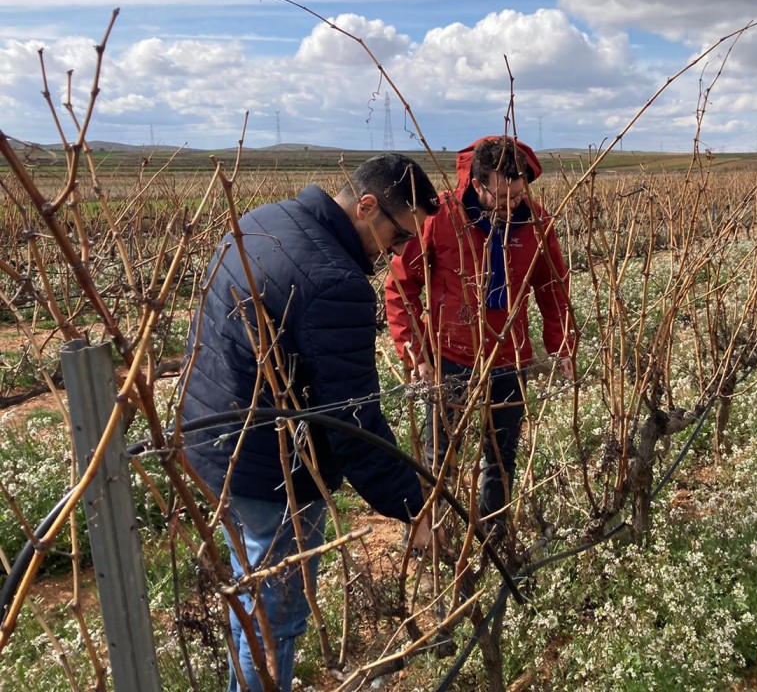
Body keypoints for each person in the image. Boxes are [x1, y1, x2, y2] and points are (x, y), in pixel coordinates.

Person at [180, 154, 439, 692]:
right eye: (397, 237)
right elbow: (352, 421)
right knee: (276, 619)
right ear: (366, 206)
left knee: (252, 592)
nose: (398, 254)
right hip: (268, 470)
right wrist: (413, 505)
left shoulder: (261, 219)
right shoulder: (335, 281)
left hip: (206, 435)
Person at [385, 136, 574, 540]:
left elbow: (553, 288)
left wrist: (562, 345)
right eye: (502, 195)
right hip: (450, 358)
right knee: (439, 458)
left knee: (501, 460)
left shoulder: (537, 223)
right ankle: (424, 538)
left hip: (510, 358)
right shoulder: (440, 217)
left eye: (519, 194)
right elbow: (400, 286)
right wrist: (415, 352)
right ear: (476, 183)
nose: (512, 204)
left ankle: (493, 540)